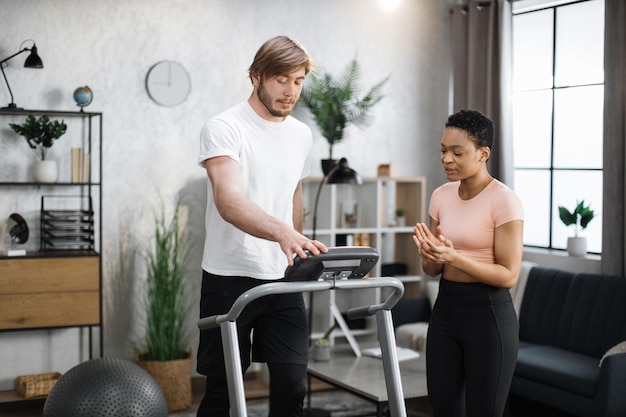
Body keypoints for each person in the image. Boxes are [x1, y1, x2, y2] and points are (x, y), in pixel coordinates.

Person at [196, 35, 328, 417]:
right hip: (228, 276)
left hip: (282, 277)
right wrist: (283, 233)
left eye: (299, 81)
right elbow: (229, 200)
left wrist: (297, 245)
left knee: (290, 386)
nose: (291, 91)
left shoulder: (301, 134)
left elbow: (293, 195)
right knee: (224, 390)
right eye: (281, 79)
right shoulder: (224, 127)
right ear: (257, 76)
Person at [413, 109, 524, 417]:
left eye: (457, 152)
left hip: (488, 316)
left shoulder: (504, 200)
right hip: (446, 311)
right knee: (443, 407)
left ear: (483, 153)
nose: (446, 158)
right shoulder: (441, 196)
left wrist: (454, 257)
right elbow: (432, 270)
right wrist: (431, 257)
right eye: (443, 150)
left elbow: (508, 275)